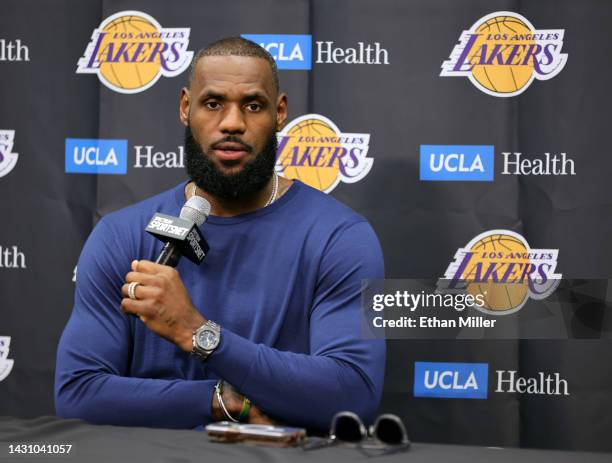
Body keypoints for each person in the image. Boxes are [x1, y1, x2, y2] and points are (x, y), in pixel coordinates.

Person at [55, 37, 385, 431]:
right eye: (213, 103)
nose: (232, 123)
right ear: (184, 108)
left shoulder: (340, 237)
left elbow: (353, 394)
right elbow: (77, 395)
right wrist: (218, 401)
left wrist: (196, 332)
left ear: (280, 113)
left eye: (253, 105)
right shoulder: (119, 235)